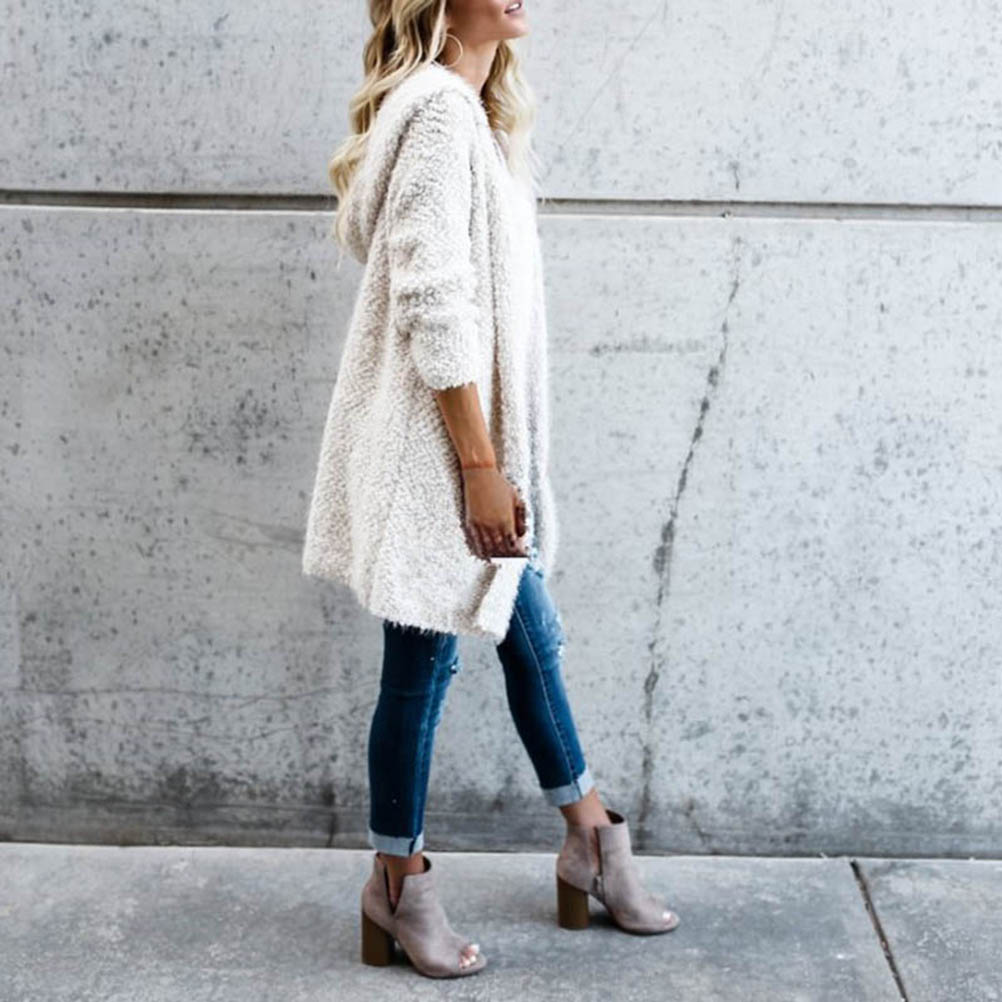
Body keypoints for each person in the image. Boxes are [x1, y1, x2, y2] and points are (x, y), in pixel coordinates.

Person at [301, 0, 680, 979]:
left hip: (478, 455)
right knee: (421, 669)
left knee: (531, 637)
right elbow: (433, 295)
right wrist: (477, 466)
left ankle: (589, 839)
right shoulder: (436, 110)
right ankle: (398, 884)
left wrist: (495, 464)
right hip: (441, 459)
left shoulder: (476, 120)